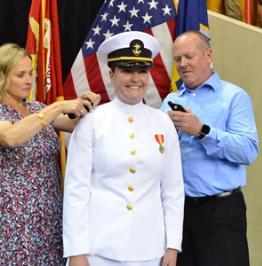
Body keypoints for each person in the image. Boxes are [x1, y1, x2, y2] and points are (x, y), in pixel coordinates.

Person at [62, 31, 185, 266]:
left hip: (149, 249)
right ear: (112, 74)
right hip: (98, 248)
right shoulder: (92, 121)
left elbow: (172, 190)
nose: (135, 78)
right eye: (127, 70)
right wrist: (76, 251)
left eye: (142, 71)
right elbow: (76, 190)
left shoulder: (163, 123)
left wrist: (172, 245)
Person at [0, 43, 101, 265]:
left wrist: (84, 106)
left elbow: (74, 126)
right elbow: (12, 137)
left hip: (51, 217)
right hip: (16, 223)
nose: (28, 80)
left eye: (31, 74)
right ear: (1, 77)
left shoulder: (36, 109)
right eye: (20, 75)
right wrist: (56, 107)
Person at [161, 31, 259, 266]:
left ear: (208, 55)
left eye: (189, 56)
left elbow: (248, 151)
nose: (182, 64)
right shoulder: (170, 101)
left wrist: (203, 131)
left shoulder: (234, 97)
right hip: (179, 213)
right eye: (177, 59)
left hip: (221, 212)